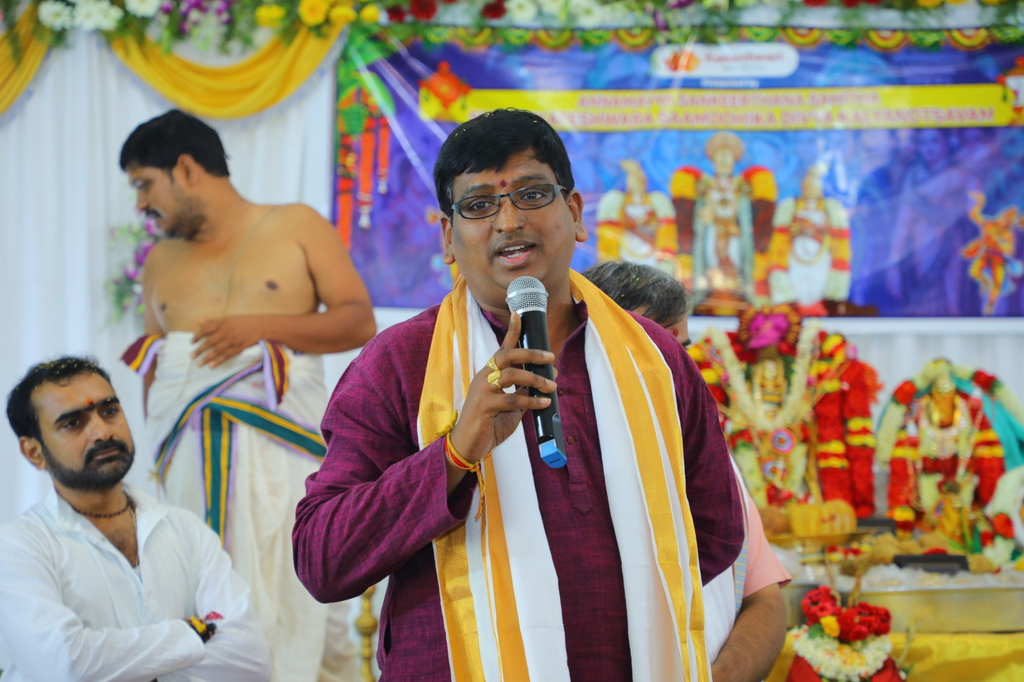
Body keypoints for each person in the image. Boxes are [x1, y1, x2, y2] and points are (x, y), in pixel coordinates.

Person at [293, 108, 744, 682]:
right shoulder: (399, 364)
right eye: (480, 204)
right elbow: (323, 559)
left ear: (574, 213)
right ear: (448, 237)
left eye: (531, 194)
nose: (508, 221)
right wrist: (454, 453)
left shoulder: (655, 358)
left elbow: (715, 529)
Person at [119, 110, 372, 681]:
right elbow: (161, 378)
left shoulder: (295, 225)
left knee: (293, 606)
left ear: (186, 169)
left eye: (144, 184)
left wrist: (260, 327)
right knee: (198, 602)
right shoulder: (159, 262)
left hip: (284, 465)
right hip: (186, 473)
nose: (140, 204)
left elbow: (359, 321)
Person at [1, 356, 271, 682]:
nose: (102, 431)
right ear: (34, 452)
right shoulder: (17, 547)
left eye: (109, 411)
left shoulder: (184, 529)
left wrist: (119, 665)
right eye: (73, 423)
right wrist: (190, 634)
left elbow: (251, 660)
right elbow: (64, 667)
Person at [582, 260, 790, 682]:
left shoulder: (709, 455)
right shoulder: (555, 458)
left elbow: (764, 599)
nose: (676, 366)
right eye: (654, 344)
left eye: (682, 348)